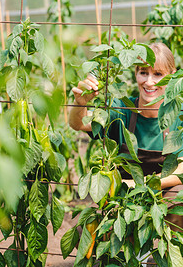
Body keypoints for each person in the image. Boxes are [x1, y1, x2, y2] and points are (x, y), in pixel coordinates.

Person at [69, 42, 183, 190]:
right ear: (135, 73)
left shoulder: (179, 115)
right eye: (143, 72)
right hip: (124, 197)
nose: (149, 82)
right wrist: (80, 103)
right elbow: (78, 124)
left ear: (172, 75)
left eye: (158, 74)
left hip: (163, 193)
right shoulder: (122, 109)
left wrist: (141, 184)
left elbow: (181, 170)